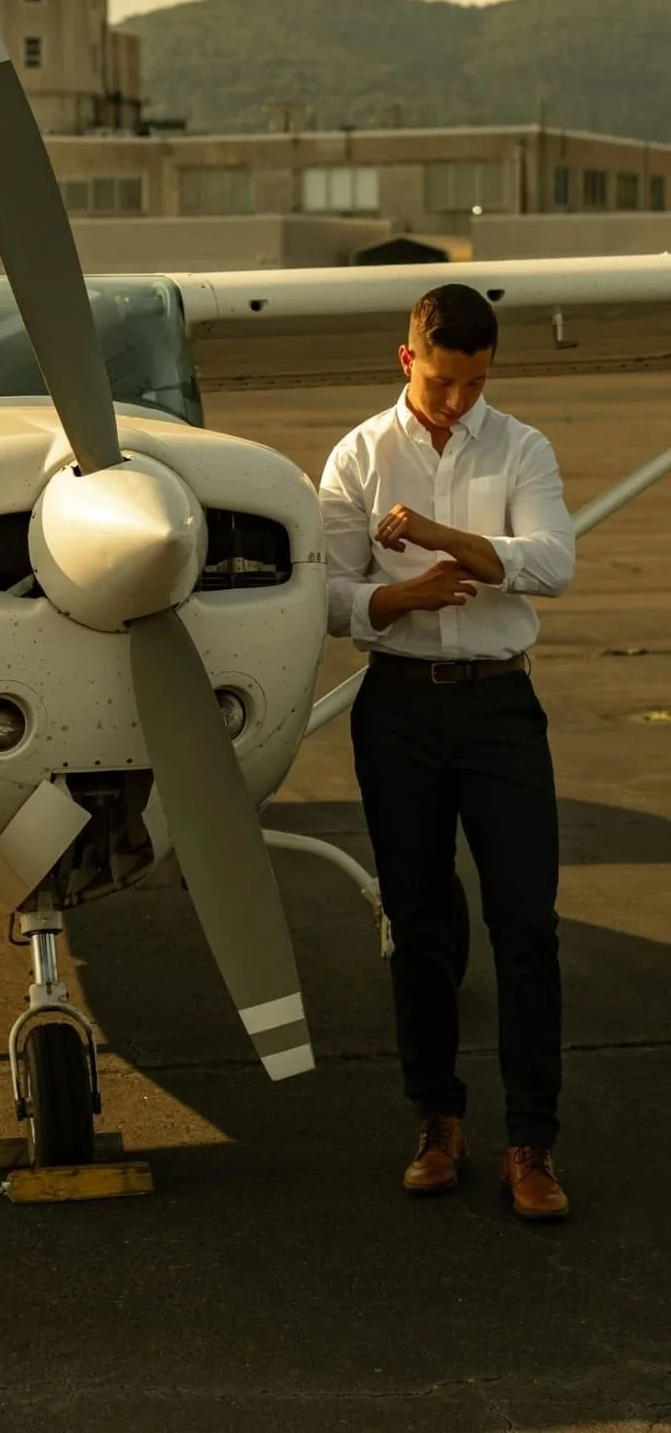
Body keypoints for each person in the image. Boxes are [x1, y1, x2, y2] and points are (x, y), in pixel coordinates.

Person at [319, 283, 576, 1220]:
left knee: (527, 924)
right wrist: (397, 599)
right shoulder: (357, 456)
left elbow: (554, 562)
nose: (460, 402)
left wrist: (441, 541)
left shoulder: (523, 448)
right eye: (443, 382)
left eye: (475, 383)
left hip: (501, 708)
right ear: (407, 360)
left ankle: (533, 1143)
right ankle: (437, 1118)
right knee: (420, 923)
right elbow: (330, 594)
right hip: (397, 712)